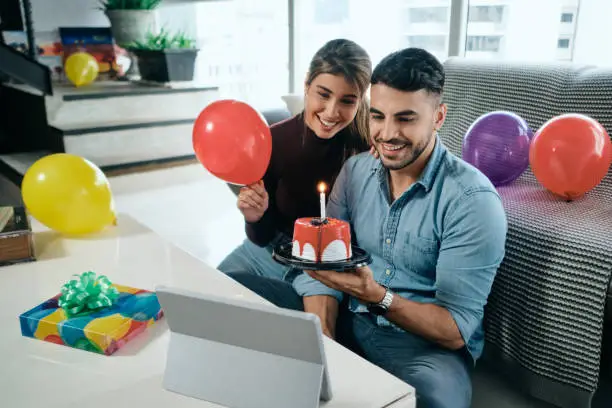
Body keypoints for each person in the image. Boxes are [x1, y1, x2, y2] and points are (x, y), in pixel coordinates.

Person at [227, 48, 508, 408]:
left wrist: (378, 296)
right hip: (345, 315)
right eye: (378, 116)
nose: (388, 134)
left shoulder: (471, 200)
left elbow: (455, 330)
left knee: (435, 402)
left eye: (406, 119)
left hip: (419, 347)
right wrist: (323, 335)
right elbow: (321, 268)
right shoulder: (356, 171)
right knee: (232, 291)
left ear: (438, 117)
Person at [217, 38, 372, 280]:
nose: (331, 112)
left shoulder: (369, 147)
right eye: (323, 94)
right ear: (307, 84)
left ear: (360, 100)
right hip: (273, 251)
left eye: (347, 101)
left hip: (332, 262)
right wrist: (254, 217)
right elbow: (261, 238)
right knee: (209, 289)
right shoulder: (272, 142)